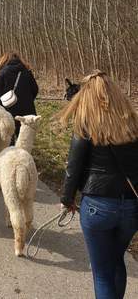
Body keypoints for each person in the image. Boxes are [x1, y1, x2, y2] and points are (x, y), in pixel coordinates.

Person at [58, 70, 138, 299]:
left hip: (97, 205)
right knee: (116, 261)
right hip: (131, 206)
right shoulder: (132, 124)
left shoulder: (85, 123)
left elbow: (74, 167)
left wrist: (67, 199)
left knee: (102, 272)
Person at [0, 52, 38, 140]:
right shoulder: (27, 72)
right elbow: (35, 89)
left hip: (8, 111)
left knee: (8, 140)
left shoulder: (3, 73)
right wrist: (28, 99)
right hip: (27, 111)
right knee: (23, 140)